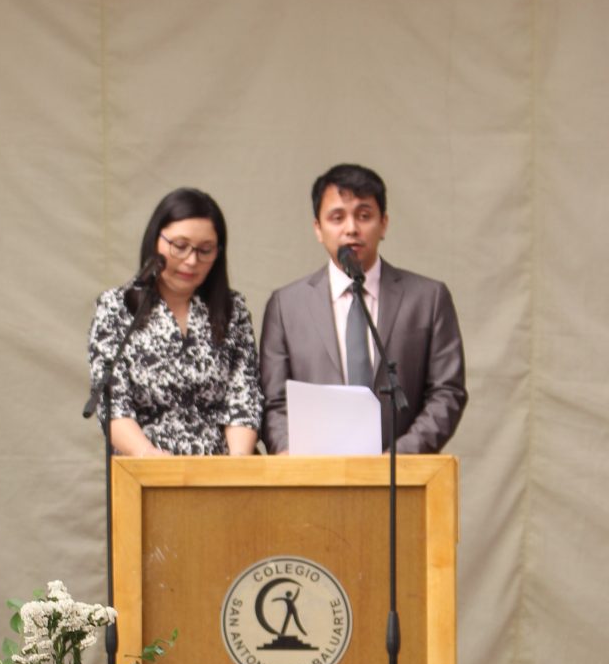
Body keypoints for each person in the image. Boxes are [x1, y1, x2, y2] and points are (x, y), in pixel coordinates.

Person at [258, 163, 467, 455]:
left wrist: (398, 457)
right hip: (313, 478)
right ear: (318, 228)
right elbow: (274, 401)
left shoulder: (428, 298)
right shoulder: (286, 305)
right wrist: (292, 454)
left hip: (401, 477)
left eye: (364, 216)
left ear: (384, 223)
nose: (351, 228)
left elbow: (447, 391)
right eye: (337, 217)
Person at [87, 188, 262, 457]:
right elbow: (114, 404)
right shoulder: (117, 307)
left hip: (220, 470)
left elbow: (243, 399)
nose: (192, 261)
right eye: (180, 246)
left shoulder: (232, 310)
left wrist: (236, 467)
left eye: (205, 250)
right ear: (156, 240)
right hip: (144, 469)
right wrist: (151, 458)